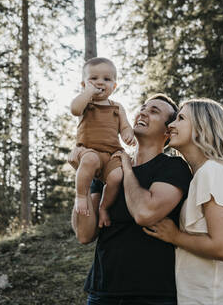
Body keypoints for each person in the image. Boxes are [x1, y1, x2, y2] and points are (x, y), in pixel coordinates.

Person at [143, 98, 223, 305]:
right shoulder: (205, 174)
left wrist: (174, 236)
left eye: (180, 118)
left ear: (202, 128)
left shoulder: (212, 172)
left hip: (216, 298)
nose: (171, 125)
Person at [70, 94, 192, 305]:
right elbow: (84, 234)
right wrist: (83, 175)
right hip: (103, 293)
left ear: (167, 131)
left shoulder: (173, 167)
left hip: (153, 295)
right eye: (143, 107)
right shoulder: (109, 166)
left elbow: (147, 212)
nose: (143, 112)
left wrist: (127, 167)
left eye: (154, 111)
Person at [70, 57, 136, 228]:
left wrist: (128, 135)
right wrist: (87, 93)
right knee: (90, 161)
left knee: (116, 177)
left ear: (114, 86)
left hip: (112, 153)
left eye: (106, 79)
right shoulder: (86, 103)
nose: (100, 82)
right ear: (84, 84)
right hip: (89, 150)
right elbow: (74, 109)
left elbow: (125, 126)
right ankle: (81, 196)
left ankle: (104, 207)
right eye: (93, 79)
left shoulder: (117, 107)